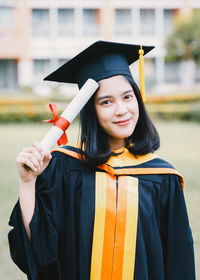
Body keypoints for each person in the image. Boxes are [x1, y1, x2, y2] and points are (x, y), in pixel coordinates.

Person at [8, 41, 195, 280]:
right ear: (90, 110)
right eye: (106, 102)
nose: (122, 110)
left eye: (128, 97)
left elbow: (179, 262)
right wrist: (27, 182)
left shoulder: (162, 177)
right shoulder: (63, 167)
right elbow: (37, 253)